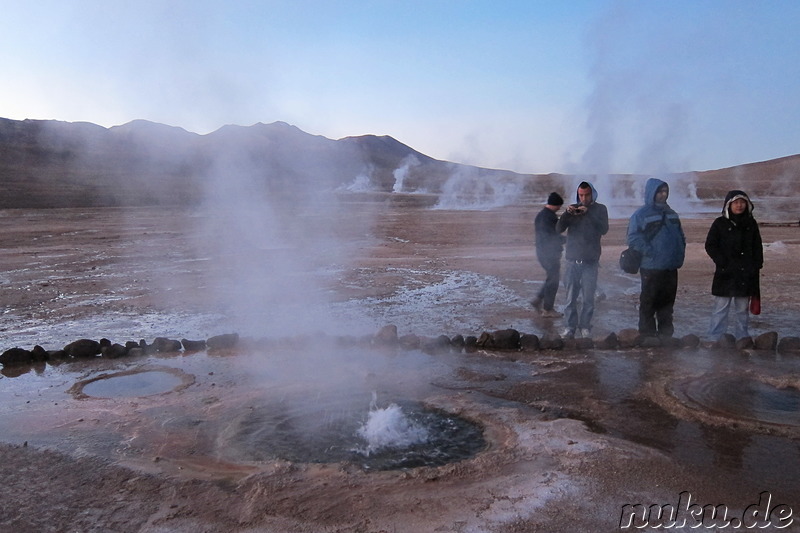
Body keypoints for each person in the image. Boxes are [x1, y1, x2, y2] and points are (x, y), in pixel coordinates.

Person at [626, 178, 686, 338]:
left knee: (667, 303)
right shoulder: (641, 214)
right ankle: (647, 335)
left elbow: (680, 236)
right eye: (660, 191)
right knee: (649, 302)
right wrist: (650, 251)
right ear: (651, 192)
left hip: (671, 266)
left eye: (665, 191)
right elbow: (633, 237)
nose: (663, 194)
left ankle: (666, 335)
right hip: (651, 266)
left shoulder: (672, 213)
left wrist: (680, 253)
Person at [704, 190, 763, 341]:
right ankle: (714, 337)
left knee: (742, 309)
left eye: (742, 202)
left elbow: (757, 246)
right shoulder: (720, 223)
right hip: (726, 272)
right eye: (736, 202)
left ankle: (742, 337)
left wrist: (757, 264)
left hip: (745, 272)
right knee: (721, 308)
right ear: (728, 205)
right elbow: (710, 245)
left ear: (747, 204)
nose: (739, 205)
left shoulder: (751, 223)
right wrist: (721, 261)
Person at [556, 181, 609, 338]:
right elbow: (558, 229)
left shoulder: (600, 209)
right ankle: (569, 327)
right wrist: (566, 213)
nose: (584, 198)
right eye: (581, 195)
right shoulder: (573, 210)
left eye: (586, 195)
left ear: (592, 193)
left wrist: (589, 213)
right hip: (572, 260)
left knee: (588, 298)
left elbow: (604, 229)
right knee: (570, 298)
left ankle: (585, 326)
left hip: (590, 261)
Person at [531, 192, 565, 318]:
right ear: (556, 204)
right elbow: (552, 236)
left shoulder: (541, 215)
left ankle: (538, 300)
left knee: (551, 278)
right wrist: (566, 240)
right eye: (559, 206)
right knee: (553, 280)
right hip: (549, 253)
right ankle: (548, 309)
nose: (559, 208)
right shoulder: (550, 217)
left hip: (541, 252)